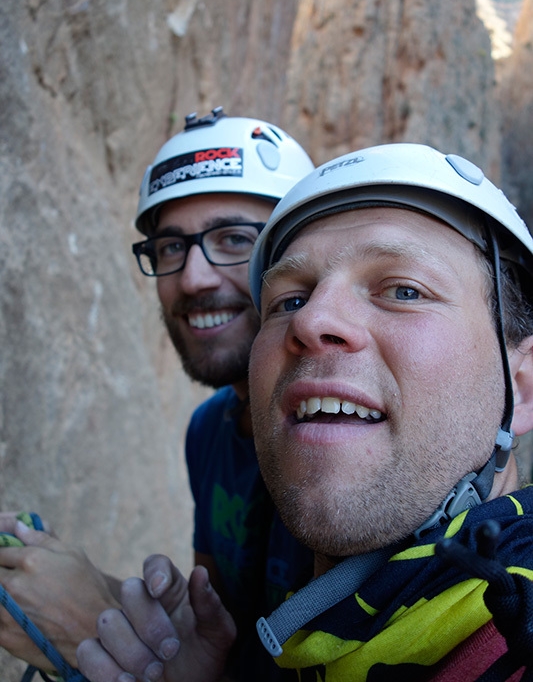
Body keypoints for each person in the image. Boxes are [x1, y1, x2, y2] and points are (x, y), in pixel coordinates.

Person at [77, 142, 533, 682]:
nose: (312, 319)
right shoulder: (314, 638)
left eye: (405, 290)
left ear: (521, 387)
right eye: (288, 301)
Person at [0, 107, 314, 680]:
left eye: (234, 239)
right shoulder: (211, 431)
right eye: (171, 247)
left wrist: (91, 625)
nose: (193, 277)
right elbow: (224, 637)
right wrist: (101, 593)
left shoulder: (345, 443)